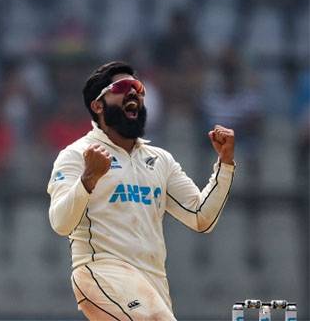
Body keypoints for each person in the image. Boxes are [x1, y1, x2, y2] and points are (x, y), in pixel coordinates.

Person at [47, 61, 235, 320]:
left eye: (138, 87)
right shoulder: (77, 155)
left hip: (152, 284)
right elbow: (60, 222)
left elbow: (201, 217)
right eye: (123, 87)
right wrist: (88, 179)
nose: (134, 92)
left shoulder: (160, 160)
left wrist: (225, 165)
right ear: (98, 105)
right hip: (102, 272)